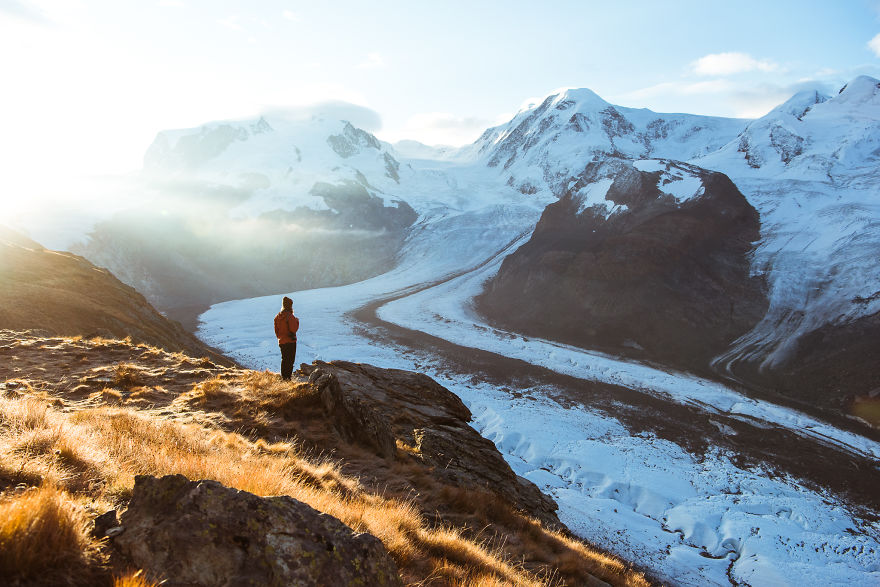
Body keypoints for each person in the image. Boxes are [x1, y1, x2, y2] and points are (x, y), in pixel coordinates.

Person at [274, 296, 299, 380]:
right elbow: (294, 329)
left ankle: (284, 377)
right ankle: (288, 378)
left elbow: (276, 331)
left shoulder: (277, 317)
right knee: (290, 361)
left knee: (284, 359)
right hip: (290, 341)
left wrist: (281, 338)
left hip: (282, 341)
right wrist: (297, 321)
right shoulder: (290, 316)